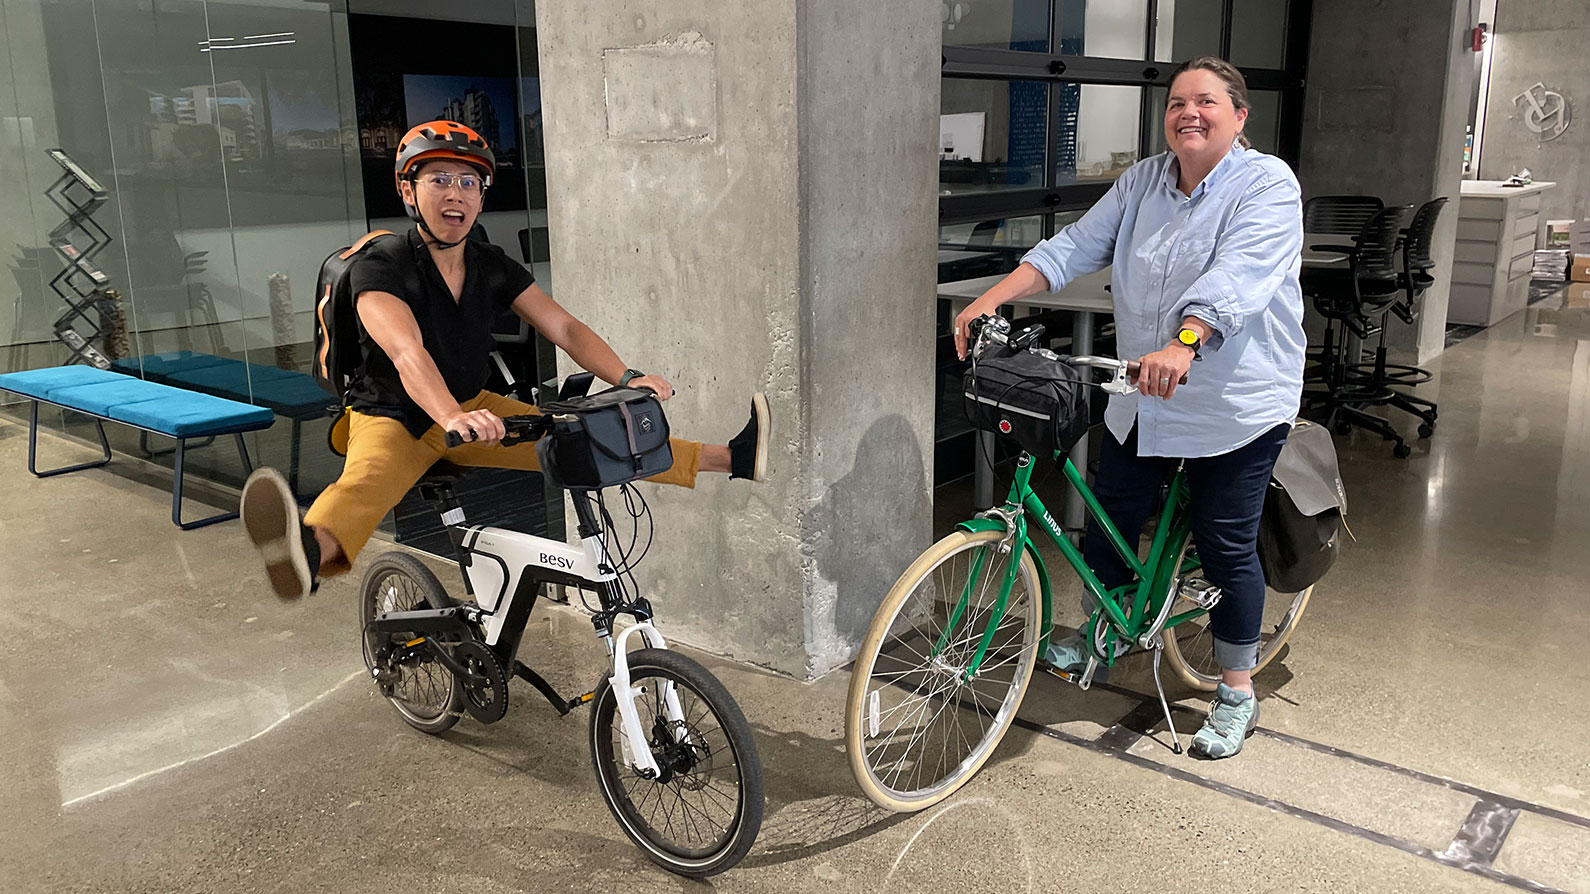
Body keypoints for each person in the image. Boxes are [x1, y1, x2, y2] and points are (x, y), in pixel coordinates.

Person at [242, 121, 769, 600]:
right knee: (364, 485)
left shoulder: (488, 263)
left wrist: (628, 377)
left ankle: (734, 459)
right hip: (393, 415)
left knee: (591, 434)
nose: (456, 194)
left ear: (481, 196)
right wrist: (450, 417)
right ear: (408, 190)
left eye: (469, 183)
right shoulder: (381, 266)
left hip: (475, 409)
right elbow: (407, 352)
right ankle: (309, 555)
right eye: (439, 180)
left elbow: (564, 327)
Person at [952, 57, 1304, 759]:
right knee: (1108, 520)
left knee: (1226, 543)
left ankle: (1236, 690)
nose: (1188, 114)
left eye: (1206, 101)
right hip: (1141, 392)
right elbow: (1075, 245)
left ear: (1239, 116)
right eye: (1177, 102)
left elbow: (1239, 276)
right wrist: (993, 294)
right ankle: (1102, 634)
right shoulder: (1144, 180)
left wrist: (1185, 340)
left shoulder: (1267, 185)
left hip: (1233, 399)